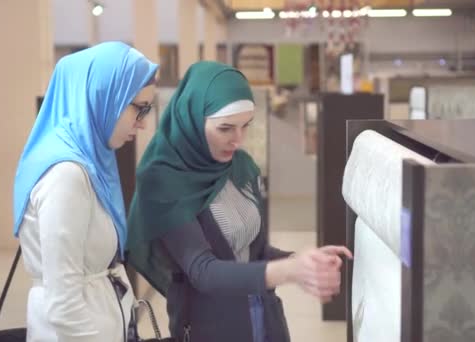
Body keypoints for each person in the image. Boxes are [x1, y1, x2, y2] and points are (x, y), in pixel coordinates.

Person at [126, 61, 352, 342]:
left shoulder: (240, 166)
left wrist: (302, 261)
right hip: (209, 329)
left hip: (265, 321)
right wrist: (288, 271)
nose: (238, 140)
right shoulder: (164, 179)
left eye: (245, 126)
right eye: (225, 128)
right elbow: (203, 271)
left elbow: (253, 250)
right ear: (194, 119)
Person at [12, 41, 158, 342]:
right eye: (139, 109)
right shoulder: (66, 175)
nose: (142, 124)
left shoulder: (90, 164)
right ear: (103, 97)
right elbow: (63, 305)